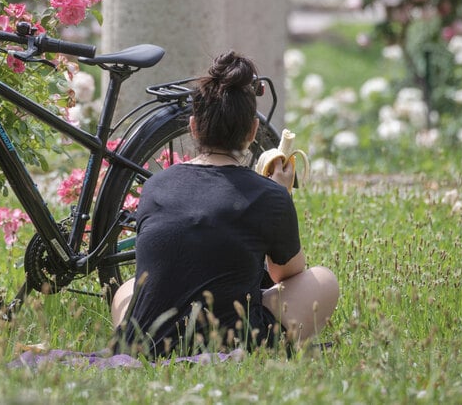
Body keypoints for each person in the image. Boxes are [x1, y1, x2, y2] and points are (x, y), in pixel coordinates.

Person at [111, 51, 338, 358]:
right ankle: (268, 345)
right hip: (229, 338)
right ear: (253, 132)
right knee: (323, 280)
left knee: (127, 289)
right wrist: (282, 195)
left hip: (148, 341)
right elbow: (285, 274)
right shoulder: (268, 195)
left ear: (193, 127)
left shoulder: (155, 185)